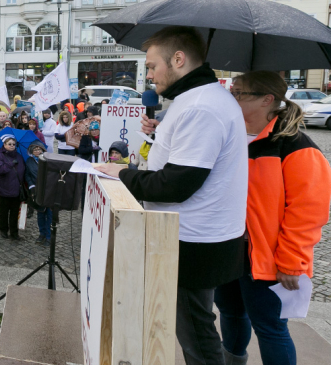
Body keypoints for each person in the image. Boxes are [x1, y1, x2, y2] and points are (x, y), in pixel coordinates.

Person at [95, 26, 248, 365]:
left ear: (178, 60)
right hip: (194, 236)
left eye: (151, 66)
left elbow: (176, 185)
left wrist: (123, 173)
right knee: (194, 327)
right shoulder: (196, 99)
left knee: (196, 336)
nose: (148, 75)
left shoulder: (201, 106)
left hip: (193, 242)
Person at [212, 71, 331, 365]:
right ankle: (233, 360)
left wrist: (292, 262)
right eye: (232, 92)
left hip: (268, 258)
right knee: (230, 312)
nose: (232, 98)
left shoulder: (295, 146)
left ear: (267, 100)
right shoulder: (228, 136)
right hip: (226, 248)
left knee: (271, 328)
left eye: (240, 93)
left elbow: (308, 212)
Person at [0, 135, 25, 240]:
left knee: (14, 212)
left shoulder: (19, 156)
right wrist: (10, 164)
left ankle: (14, 232)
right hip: (4, 189)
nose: (12, 146)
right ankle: (3, 230)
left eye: (13, 144)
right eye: (9, 144)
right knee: (3, 212)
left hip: (16, 190)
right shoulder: (0, 156)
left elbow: (23, 170)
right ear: (4, 145)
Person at [25, 141, 51, 246]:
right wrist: (32, 186)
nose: (37, 151)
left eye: (39, 149)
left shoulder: (48, 159)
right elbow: (27, 175)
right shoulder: (29, 161)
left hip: (48, 190)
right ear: (32, 151)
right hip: (37, 190)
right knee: (40, 213)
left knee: (49, 214)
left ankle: (49, 237)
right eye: (35, 149)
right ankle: (42, 234)